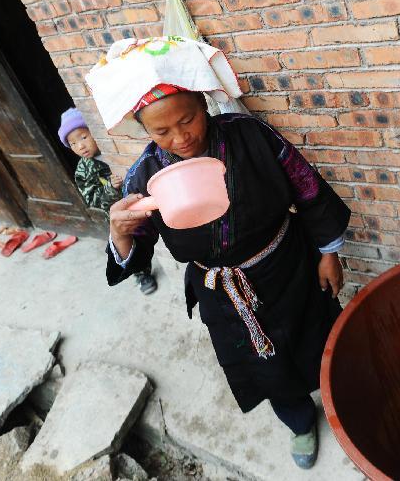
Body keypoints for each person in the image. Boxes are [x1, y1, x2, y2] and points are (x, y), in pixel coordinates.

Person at [102, 85, 351, 469]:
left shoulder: (250, 135)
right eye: (161, 131)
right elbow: (137, 248)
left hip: (289, 265)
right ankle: (300, 422)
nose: (180, 137)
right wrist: (120, 233)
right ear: (145, 132)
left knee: (321, 337)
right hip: (223, 292)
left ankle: (345, 399)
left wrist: (328, 253)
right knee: (266, 364)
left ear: (204, 105)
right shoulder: (145, 176)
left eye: (188, 120)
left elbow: (307, 188)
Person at [58, 107, 158, 295]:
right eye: (73, 143)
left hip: (143, 204)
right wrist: (110, 189)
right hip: (121, 218)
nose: (80, 146)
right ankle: (141, 274)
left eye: (83, 137)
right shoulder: (83, 170)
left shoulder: (115, 149)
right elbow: (92, 199)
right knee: (132, 246)